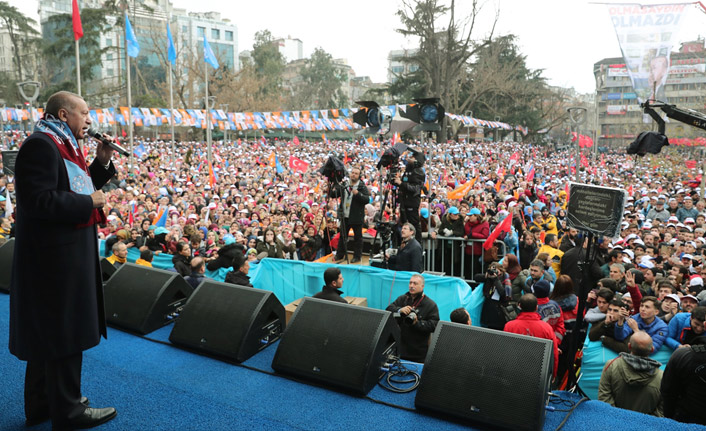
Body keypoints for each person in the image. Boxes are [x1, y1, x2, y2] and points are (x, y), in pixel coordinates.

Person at [9, 91, 117, 429]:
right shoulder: (42, 145)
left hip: (60, 256)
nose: (89, 120)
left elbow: (75, 188)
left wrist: (100, 163)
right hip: (54, 261)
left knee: (50, 333)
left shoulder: (64, 144)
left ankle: (42, 404)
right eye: (84, 113)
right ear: (63, 113)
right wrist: (91, 203)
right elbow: (38, 201)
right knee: (64, 331)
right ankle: (68, 410)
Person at [598, 331, 663, 416]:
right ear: (652, 349)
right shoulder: (662, 377)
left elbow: (604, 400)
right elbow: (662, 410)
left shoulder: (611, 365)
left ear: (629, 346)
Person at [386, 274, 439, 362]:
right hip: (400, 348)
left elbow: (434, 326)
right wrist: (399, 310)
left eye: (415, 283)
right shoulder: (403, 299)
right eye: (410, 283)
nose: (411, 286)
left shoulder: (430, 305)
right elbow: (388, 309)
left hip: (418, 353)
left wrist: (417, 323)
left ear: (422, 286)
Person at [504, 293, 559, 377]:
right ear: (537, 307)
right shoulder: (546, 328)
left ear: (519, 306)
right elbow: (554, 354)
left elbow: (504, 351)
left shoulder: (509, 326)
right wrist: (553, 374)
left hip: (513, 372)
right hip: (538, 375)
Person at [661, 335, 706, 425]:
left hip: (685, 421)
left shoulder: (683, 355)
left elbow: (667, 394)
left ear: (704, 325)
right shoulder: (684, 355)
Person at [332, 166, 370, 263]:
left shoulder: (361, 186)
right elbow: (335, 194)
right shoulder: (345, 184)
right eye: (352, 172)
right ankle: (340, 254)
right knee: (342, 237)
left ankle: (357, 256)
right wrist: (332, 187)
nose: (353, 174)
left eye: (356, 173)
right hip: (345, 215)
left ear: (359, 176)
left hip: (356, 216)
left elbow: (367, 199)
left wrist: (358, 194)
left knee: (358, 238)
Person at [395, 148, 425, 243]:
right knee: (404, 225)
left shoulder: (418, 171)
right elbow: (404, 183)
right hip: (404, 202)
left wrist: (401, 184)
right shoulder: (409, 169)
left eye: (412, 157)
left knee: (414, 225)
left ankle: (417, 244)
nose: (409, 158)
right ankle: (405, 243)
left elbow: (415, 188)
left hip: (412, 203)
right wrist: (397, 181)